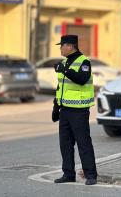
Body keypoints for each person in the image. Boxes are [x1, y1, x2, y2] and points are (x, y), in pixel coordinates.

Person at [51, 34, 98, 185]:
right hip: (65, 110)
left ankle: (91, 175)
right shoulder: (64, 62)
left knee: (83, 143)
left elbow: (82, 79)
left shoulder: (84, 61)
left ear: (70, 46)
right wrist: (56, 107)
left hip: (79, 110)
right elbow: (61, 87)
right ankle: (68, 174)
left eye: (62, 45)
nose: (60, 49)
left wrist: (65, 70)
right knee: (65, 144)